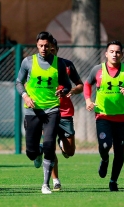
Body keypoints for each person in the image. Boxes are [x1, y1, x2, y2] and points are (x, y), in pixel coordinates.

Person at [16, 31, 71, 194]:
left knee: (49, 145)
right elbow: (19, 82)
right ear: (37, 45)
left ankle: (46, 184)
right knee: (31, 152)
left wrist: (63, 91)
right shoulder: (28, 62)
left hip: (52, 110)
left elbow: (67, 84)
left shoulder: (59, 64)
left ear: (51, 46)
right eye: (41, 45)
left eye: (47, 46)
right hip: (33, 110)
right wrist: (25, 96)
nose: (44, 48)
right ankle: (37, 152)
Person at [84, 40, 124, 191]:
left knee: (120, 152)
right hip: (102, 116)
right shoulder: (98, 69)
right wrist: (88, 100)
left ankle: (113, 181)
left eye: (117, 52)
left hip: (121, 118)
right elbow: (87, 84)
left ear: (121, 54)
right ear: (106, 53)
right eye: (112, 51)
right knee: (104, 145)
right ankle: (104, 159)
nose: (114, 54)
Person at [49, 38, 83, 191]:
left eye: (52, 49)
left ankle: (63, 143)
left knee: (70, 152)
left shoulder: (67, 64)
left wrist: (74, 90)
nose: (48, 51)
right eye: (45, 47)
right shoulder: (36, 66)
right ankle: (55, 180)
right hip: (47, 110)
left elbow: (80, 85)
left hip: (65, 111)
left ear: (57, 49)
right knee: (49, 148)